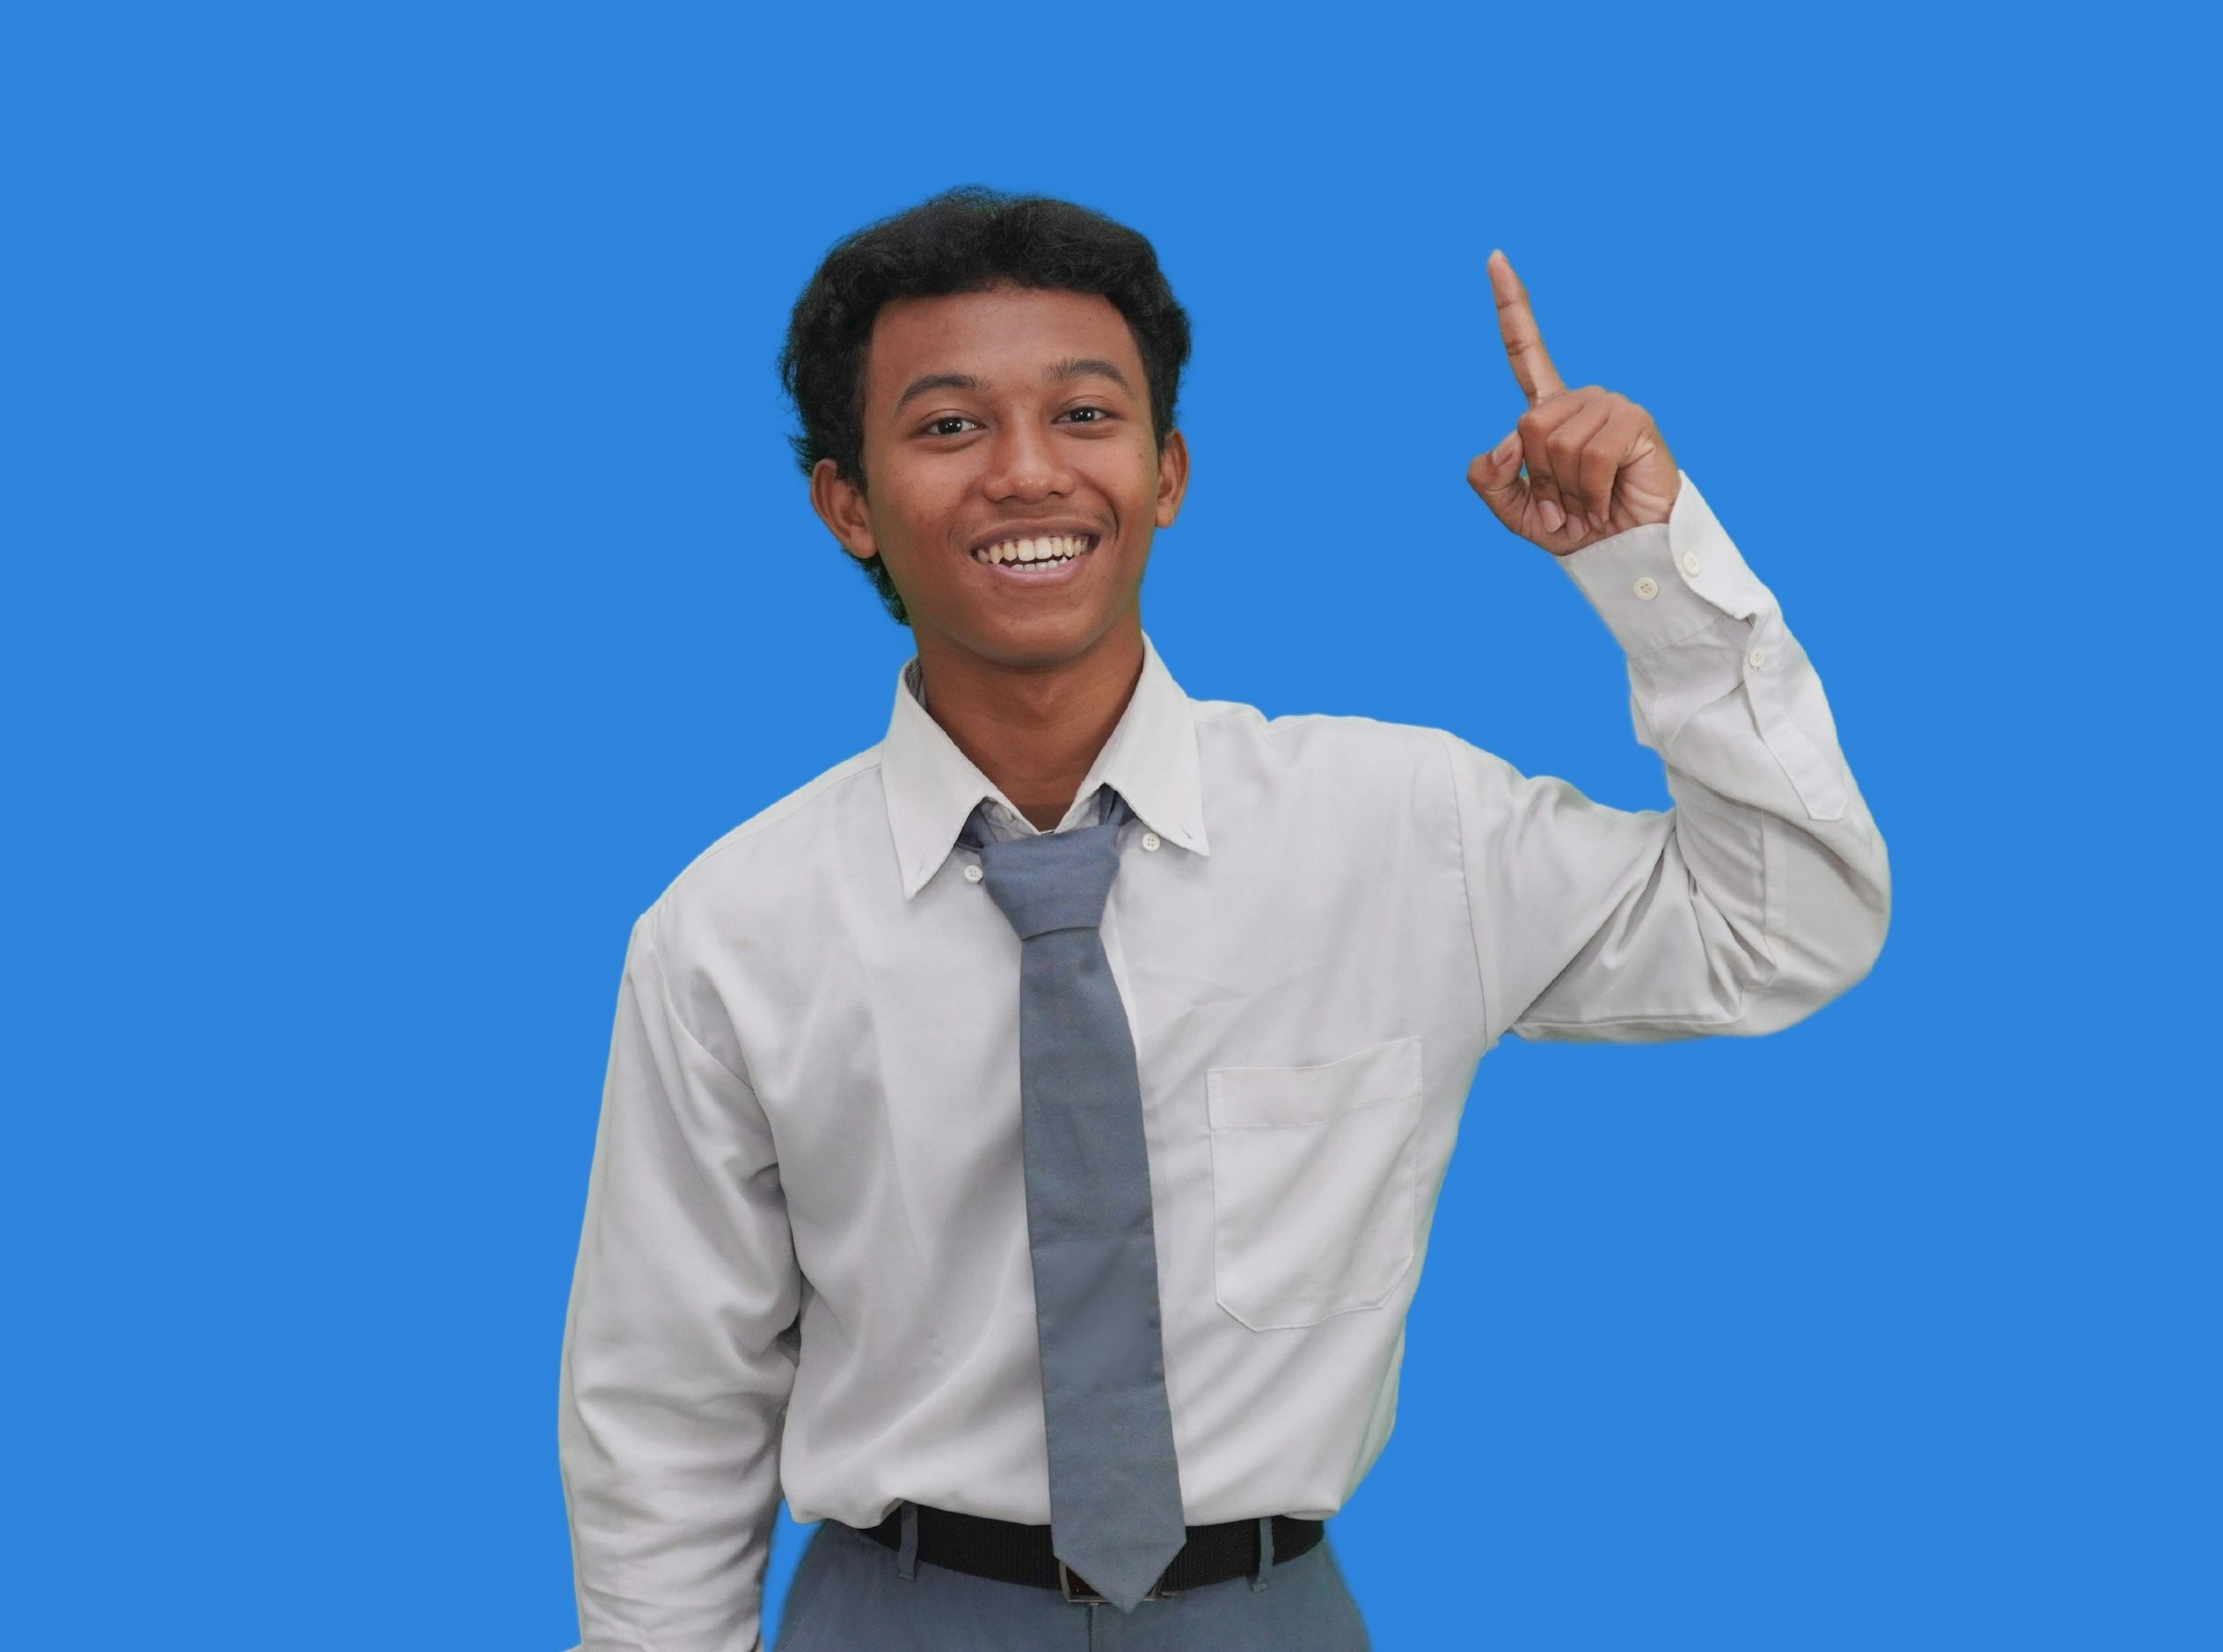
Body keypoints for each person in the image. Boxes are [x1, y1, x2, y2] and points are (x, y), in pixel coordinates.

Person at [556, 186, 1890, 1651]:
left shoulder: (1403, 831)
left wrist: (1651, 574)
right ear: (846, 502)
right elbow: (668, 1414)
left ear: (1168, 468)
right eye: (947, 427)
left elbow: (1789, 926)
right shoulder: (731, 930)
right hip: (898, 1612)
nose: (1025, 474)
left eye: (1085, 415)